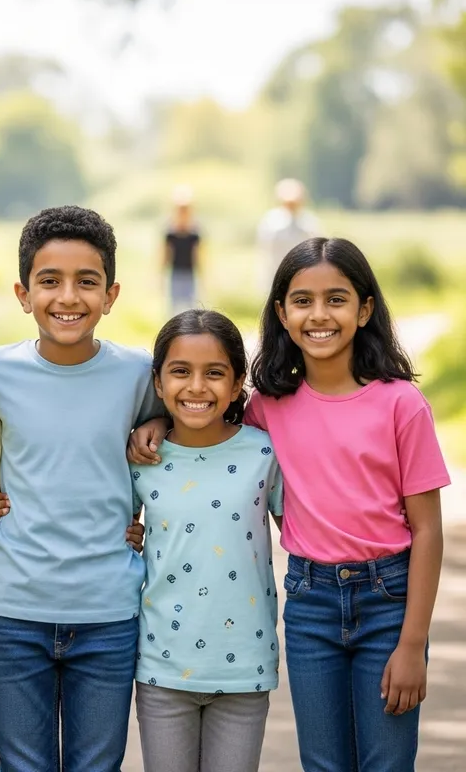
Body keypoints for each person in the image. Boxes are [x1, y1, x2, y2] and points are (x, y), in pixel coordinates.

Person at [127, 237, 450, 772]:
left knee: (387, 762)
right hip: (310, 603)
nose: (318, 315)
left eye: (337, 299)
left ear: (365, 309)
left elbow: (429, 530)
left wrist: (413, 642)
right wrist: (159, 422)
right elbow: (207, 424)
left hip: (388, 600)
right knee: (322, 763)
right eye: (302, 300)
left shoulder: (400, 403)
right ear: (281, 312)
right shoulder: (268, 407)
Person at [0, 205, 162, 771]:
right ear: (22, 292)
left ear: (111, 294)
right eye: (49, 281)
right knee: (24, 765)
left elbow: (188, 430)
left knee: (96, 766)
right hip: (15, 607)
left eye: (87, 281)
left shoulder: (139, 373)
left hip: (108, 609)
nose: (68, 297)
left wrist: (159, 426)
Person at [131, 309, 282, 772]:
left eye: (214, 373)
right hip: (162, 664)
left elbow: (306, 527)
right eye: (180, 372)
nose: (197, 387)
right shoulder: (140, 457)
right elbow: (114, 530)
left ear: (237, 385)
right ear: (158, 383)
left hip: (245, 667)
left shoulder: (263, 453)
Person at [256, 178, 319, 292]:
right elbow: (266, 251)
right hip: (275, 275)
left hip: (304, 277)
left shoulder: (309, 223)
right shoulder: (271, 222)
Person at [164, 185, 202, 314]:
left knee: (191, 306)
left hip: (190, 274)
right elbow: (165, 255)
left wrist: (203, 275)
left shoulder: (194, 233)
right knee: (173, 307)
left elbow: (198, 256)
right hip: (175, 273)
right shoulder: (170, 233)